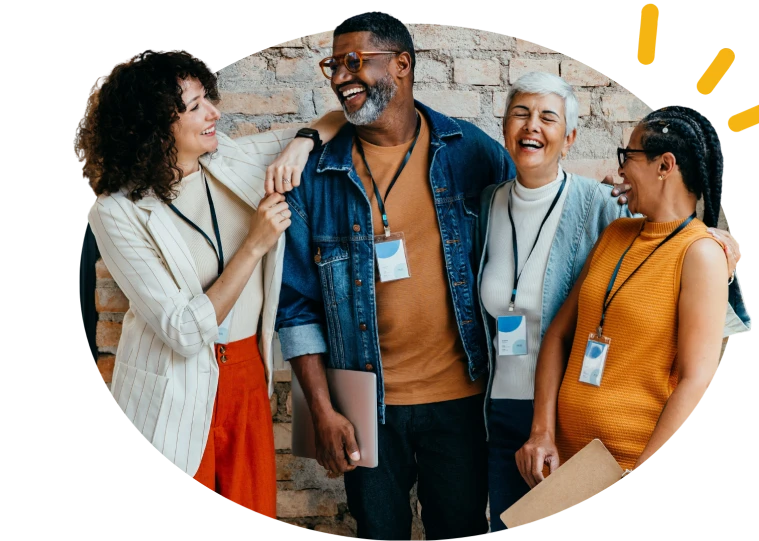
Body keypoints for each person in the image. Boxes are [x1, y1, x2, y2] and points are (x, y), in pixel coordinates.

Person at [274, 12, 629, 540]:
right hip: (364, 403)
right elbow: (297, 306)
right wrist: (322, 411)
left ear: (401, 64)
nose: (341, 75)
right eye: (334, 64)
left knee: (460, 528)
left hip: (464, 403)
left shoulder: (468, 152)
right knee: (378, 531)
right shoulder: (318, 174)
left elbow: (536, 189)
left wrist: (621, 193)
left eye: (355, 61)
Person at [475, 73, 750, 533]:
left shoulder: (700, 254)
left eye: (629, 157)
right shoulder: (616, 232)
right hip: (566, 462)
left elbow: (695, 382)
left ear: (665, 166)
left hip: (624, 462)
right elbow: (559, 335)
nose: (619, 169)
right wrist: (543, 430)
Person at [78, 48, 346, 519]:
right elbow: (183, 331)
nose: (214, 113)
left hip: (245, 373)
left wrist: (301, 143)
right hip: (171, 388)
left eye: (208, 98)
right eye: (196, 106)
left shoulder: (232, 159)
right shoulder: (115, 212)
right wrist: (255, 245)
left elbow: (338, 118)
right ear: (156, 127)